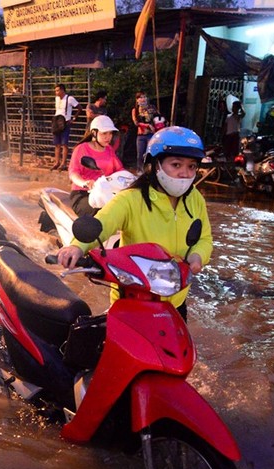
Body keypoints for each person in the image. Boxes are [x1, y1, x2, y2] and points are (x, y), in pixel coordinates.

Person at [57, 126, 213, 322]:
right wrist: (76, 247)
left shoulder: (195, 199)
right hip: (132, 300)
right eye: (176, 165)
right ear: (156, 165)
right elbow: (103, 222)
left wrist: (197, 256)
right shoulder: (131, 199)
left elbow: (205, 238)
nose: (185, 173)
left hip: (175, 303)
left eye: (191, 167)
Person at [67, 115, 125, 216]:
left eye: (110, 133)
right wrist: (84, 183)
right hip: (83, 194)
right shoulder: (82, 149)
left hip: (106, 192)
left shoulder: (109, 150)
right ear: (94, 133)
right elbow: (73, 173)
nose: (109, 137)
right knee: (105, 211)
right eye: (104, 133)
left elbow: (120, 170)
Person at [52, 83, 80, 171]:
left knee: (64, 144)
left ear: (62, 90)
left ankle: (63, 163)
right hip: (57, 122)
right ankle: (57, 162)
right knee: (57, 144)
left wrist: (73, 118)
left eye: (57, 90)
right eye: (55, 91)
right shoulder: (57, 99)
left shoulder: (69, 98)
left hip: (66, 122)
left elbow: (80, 108)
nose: (56, 92)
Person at [131, 91, 159, 173]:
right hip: (140, 135)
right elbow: (136, 122)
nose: (143, 99)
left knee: (149, 153)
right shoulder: (135, 110)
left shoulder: (152, 108)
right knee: (140, 154)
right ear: (137, 100)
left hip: (151, 134)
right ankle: (140, 170)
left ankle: (150, 171)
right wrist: (146, 125)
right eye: (141, 97)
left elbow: (158, 117)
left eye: (144, 97)